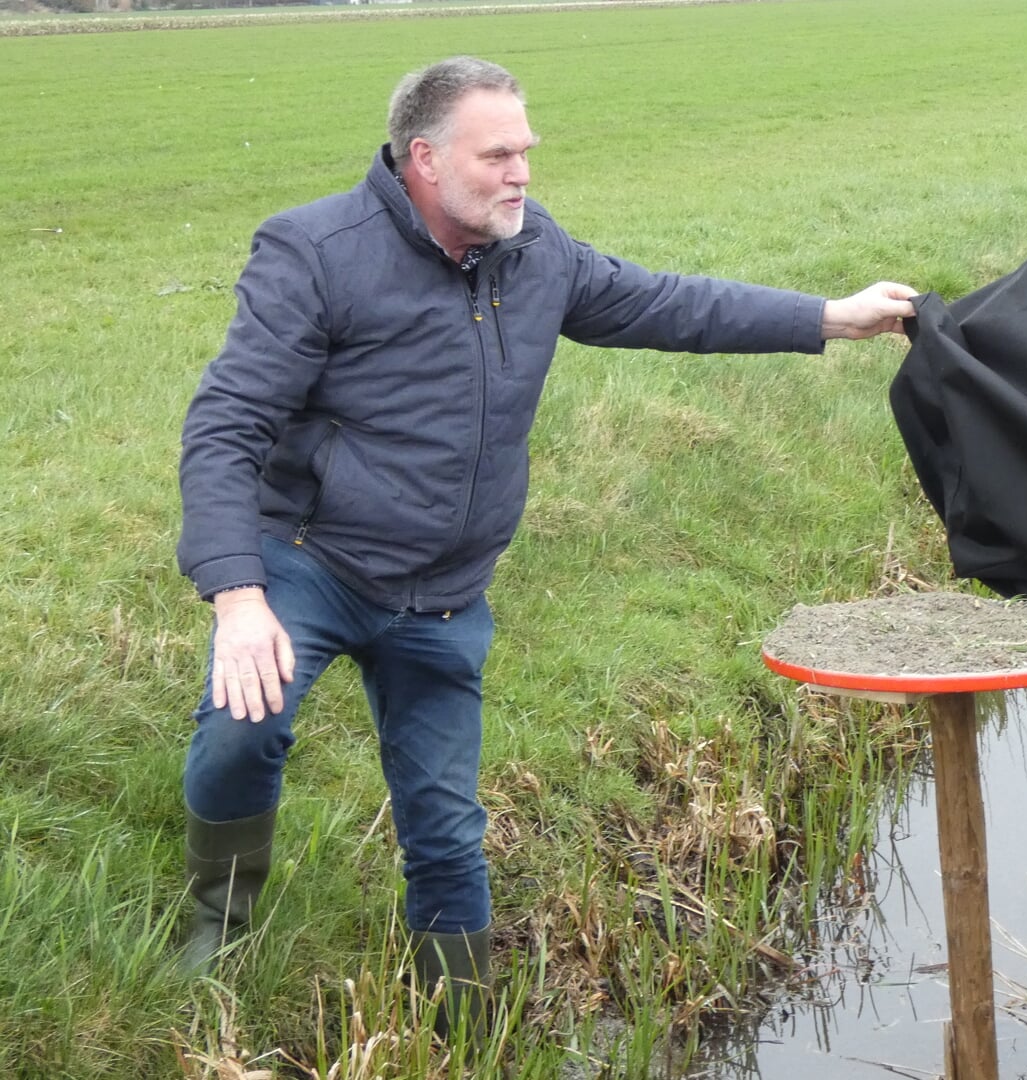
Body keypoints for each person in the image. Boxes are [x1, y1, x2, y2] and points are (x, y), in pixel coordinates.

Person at [175, 55, 915, 1030]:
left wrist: (832, 319)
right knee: (241, 729)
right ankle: (214, 928)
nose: (522, 172)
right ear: (425, 160)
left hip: (443, 596)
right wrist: (240, 598)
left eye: (525, 150)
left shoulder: (536, 254)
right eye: (498, 155)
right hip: (315, 563)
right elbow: (225, 427)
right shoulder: (317, 253)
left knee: (445, 828)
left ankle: (465, 1026)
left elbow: (671, 305)